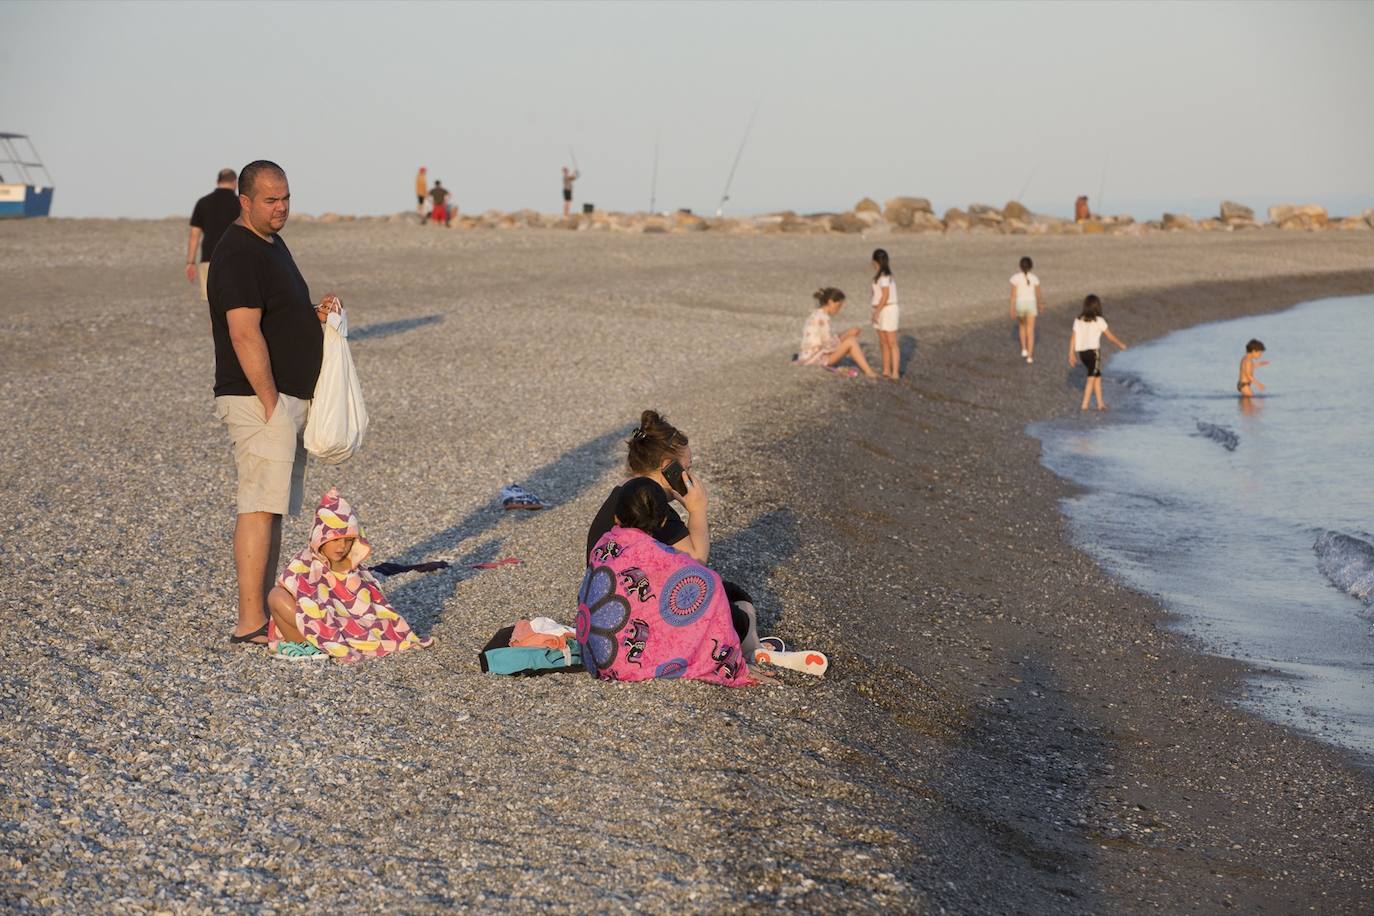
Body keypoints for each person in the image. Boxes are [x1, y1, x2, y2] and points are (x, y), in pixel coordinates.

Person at [209, 159, 341, 647]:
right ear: (244, 201)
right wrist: (270, 404)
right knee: (258, 506)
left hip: (284, 399)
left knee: (274, 507)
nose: (281, 207)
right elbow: (243, 333)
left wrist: (313, 316)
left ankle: (267, 611)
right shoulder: (239, 253)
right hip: (259, 400)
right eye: (270, 200)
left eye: (285, 198)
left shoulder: (271, 243)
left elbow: (275, 316)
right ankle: (249, 624)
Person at [586, 410, 759, 655]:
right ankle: (752, 647)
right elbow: (696, 562)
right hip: (644, 623)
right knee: (735, 602)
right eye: (688, 467)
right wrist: (698, 509)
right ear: (669, 468)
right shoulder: (654, 509)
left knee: (726, 590)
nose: (690, 475)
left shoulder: (620, 497)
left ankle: (751, 643)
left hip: (606, 612)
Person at [579, 478, 751, 686]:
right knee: (727, 599)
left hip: (594, 657)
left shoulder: (604, 544)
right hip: (626, 665)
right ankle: (744, 654)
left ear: (616, 517)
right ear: (662, 523)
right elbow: (707, 581)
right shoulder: (660, 556)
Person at [267, 489, 435, 661]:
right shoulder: (304, 562)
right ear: (320, 537)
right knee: (277, 595)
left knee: (277, 597)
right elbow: (296, 592)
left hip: (341, 629)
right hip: (311, 624)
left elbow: (373, 608)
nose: (342, 547)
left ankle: (319, 645)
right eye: (335, 539)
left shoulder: (355, 569)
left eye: (348, 540)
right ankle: (302, 644)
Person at [797, 287, 877, 378]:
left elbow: (826, 342)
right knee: (851, 341)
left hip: (807, 356)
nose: (839, 309)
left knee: (849, 340)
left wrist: (845, 336)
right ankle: (868, 371)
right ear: (830, 302)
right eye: (839, 305)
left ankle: (867, 369)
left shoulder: (816, 314)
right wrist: (847, 335)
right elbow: (828, 345)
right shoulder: (822, 318)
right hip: (814, 359)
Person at [186, 168, 239, 301]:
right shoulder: (241, 204)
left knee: (214, 304)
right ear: (235, 183)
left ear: (217, 182)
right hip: (236, 258)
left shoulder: (203, 202)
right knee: (236, 301)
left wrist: (190, 262)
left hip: (209, 258)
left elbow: (194, 235)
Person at [1068, 294, 1127, 411]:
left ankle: (1100, 404)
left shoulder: (1078, 320)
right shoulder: (1099, 320)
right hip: (1094, 353)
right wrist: (1120, 344)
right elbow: (1109, 336)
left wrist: (1071, 354)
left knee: (1097, 377)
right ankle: (1084, 406)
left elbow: (1073, 338)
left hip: (1082, 354)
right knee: (1091, 378)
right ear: (1097, 307)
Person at [870, 248, 900, 380]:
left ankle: (895, 372)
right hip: (880, 308)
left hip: (888, 309)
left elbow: (886, 295)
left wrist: (876, 312)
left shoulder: (884, 276)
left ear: (874, 261)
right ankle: (886, 369)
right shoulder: (879, 276)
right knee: (883, 341)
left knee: (891, 342)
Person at [1009, 256, 1043, 363]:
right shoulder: (1034, 278)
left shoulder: (1015, 278)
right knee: (1030, 330)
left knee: (1022, 326)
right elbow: (1038, 294)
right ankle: (1029, 356)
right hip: (1031, 304)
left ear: (1020, 266)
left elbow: (1013, 295)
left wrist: (1012, 308)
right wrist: (1040, 304)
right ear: (1031, 267)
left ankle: (1023, 348)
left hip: (1020, 304)